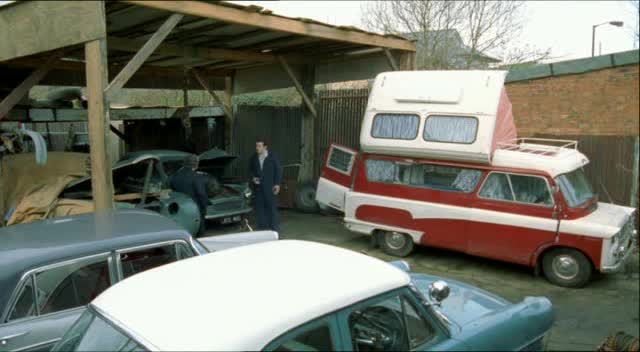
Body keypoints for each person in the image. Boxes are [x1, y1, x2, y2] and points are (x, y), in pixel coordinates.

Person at [169, 154, 209, 236]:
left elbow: (172, 189)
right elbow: (201, 194)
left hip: (179, 209)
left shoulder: (175, 176)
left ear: (184, 163)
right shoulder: (197, 177)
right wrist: (204, 208)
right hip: (194, 209)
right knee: (199, 233)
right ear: (196, 165)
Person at [248, 138, 282, 232]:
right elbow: (250, 170)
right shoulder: (254, 158)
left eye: (259, 146)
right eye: (256, 146)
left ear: (265, 147)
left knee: (271, 209)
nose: (257, 148)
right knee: (260, 210)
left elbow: (278, 170)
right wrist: (253, 178)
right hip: (258, 188)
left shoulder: (272, 157)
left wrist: (277, 184)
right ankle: (263, 231)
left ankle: (275, 231)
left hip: (270, 187)